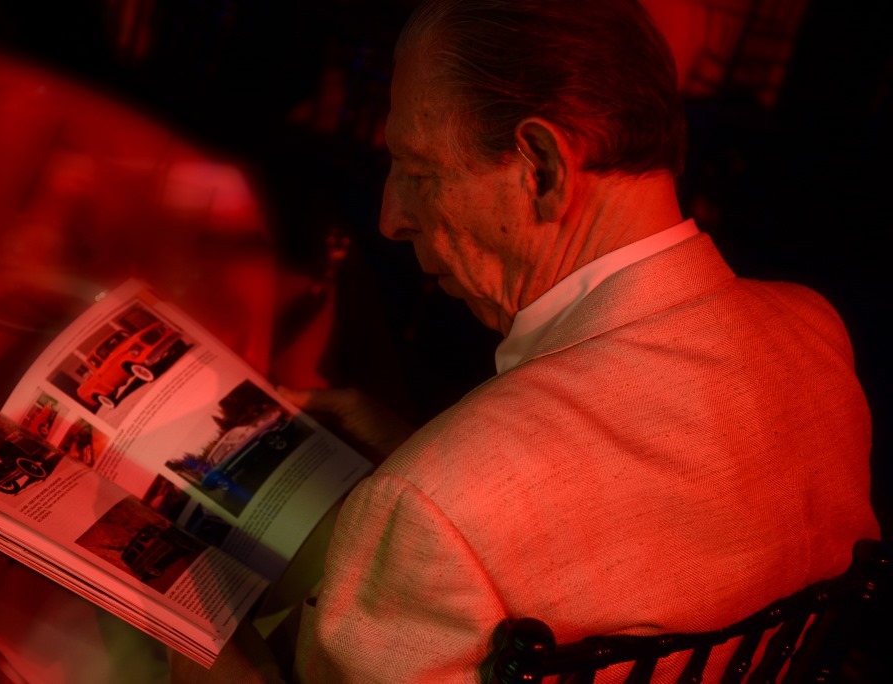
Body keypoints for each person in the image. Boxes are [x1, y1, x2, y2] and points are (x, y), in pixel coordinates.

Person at [175, 0, 880, 682]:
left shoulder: (439, 502)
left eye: (419, 172)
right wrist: (419, 452)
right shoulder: (812, 330)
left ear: (539, 167)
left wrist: (182, 636)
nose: (391, 218)